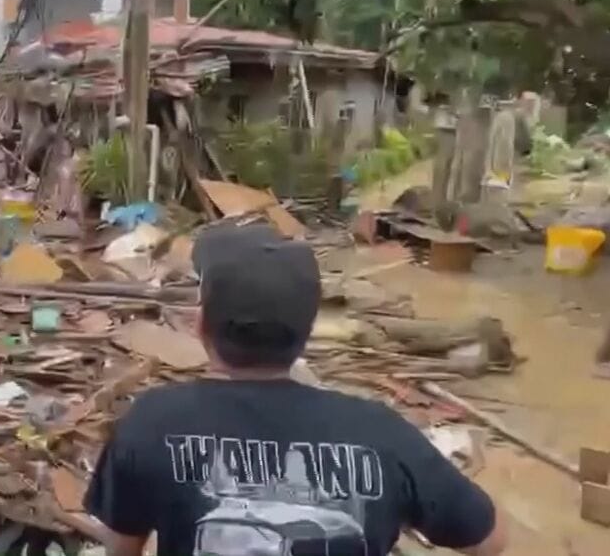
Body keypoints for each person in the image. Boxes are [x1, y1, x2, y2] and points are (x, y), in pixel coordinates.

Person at [84, 223, 507, 556]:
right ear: (306, 336)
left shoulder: (152, 421)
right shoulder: (382, 434)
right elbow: (489, 540)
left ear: (200, 327)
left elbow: (122, 548)